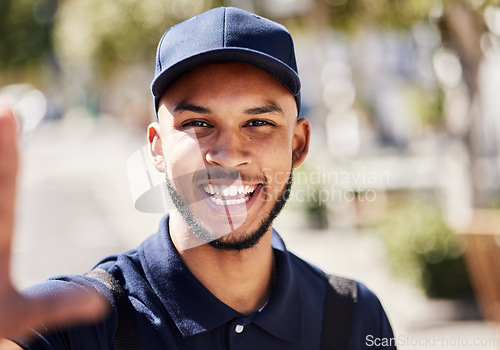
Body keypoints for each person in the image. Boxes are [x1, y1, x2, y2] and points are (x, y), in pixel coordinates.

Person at [0, 7, 396, 350]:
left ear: (297, 145)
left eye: (258, 122)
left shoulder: (355, 318)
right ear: (156, 148)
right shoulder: (85, 323)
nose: (228, 154)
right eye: (198, 123)